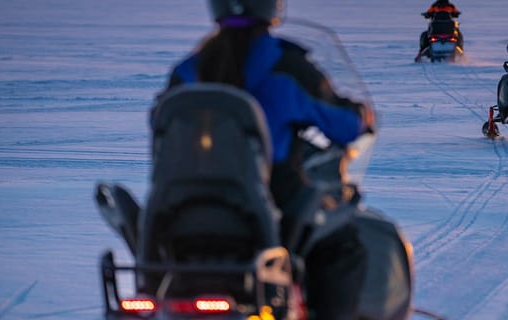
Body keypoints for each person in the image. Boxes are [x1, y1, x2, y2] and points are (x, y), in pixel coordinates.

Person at [159, 0, 373, 318]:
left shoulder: (187, 70)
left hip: (184, 209)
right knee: (341, 246)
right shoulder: (287, 67)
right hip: (271, 207)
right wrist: (359, 115)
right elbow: (344, 126)